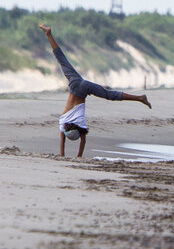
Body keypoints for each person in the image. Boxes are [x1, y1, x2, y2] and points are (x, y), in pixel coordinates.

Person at [38, 23, 151, 157]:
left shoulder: (80, 124)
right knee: (62, 60)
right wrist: (62, 155)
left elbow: (83, 141)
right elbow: (62, 139)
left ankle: (139, 98)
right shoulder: (63, 122)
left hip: (84, 88)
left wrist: (79, 156)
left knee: (109, 95)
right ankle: (48, 34)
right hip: (75, 83)